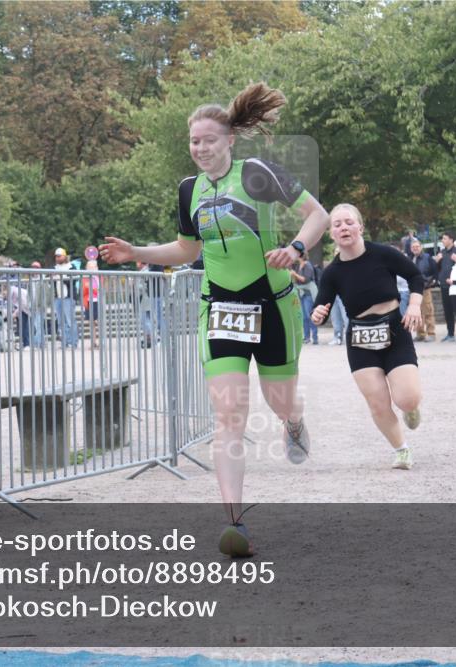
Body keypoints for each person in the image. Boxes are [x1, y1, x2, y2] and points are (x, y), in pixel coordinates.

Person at [99, 82, 329, 558]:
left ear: (229, 140)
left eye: (207, 139)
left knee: (279, 399)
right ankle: (235, 521)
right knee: (229, 417)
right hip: (220, 308)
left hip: (272, 305)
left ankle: (293, 423)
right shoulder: (189, 190)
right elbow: (187, 249)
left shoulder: (259, 173)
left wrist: (296, 248)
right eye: (193, 141)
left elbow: (317, 215)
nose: (199, 148)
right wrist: (135, 253)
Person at [311, 204, 423, 470]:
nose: (343, 227)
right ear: (331, 234)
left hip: (395, 328)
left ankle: (411, 408)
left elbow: (415, 276)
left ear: (360, 227)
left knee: (407, 398)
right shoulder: (332, 272)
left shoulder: (383, 254)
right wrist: (318, 314)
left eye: (349, 222)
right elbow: (322, 306)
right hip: (361, 338)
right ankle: (401, 450)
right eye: (337, 224)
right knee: (377, 402)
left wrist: (415, 305)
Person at [433, 231, 456, 341]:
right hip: (444, 285)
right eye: (442, 239)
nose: (442, 241)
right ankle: (450, 334)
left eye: (444, 238)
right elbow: (437, 268)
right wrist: (437, 261)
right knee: (447, 311)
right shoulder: (442, 252)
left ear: (451, 240)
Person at [410, 241, 437, 342]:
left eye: (417, 246)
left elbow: (434, 272)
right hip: (414, 290)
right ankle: (420, 334)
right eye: (413, 247)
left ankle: (431, 333)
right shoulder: (410, 258)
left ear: (421, 247)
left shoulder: (427, 258)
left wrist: (429, 283)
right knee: (417, 312)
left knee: (428, 311)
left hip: (425, 289)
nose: (415, 248)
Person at [53, 248, 80, 349]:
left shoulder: (71, 267)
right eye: (56, 256)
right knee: (60, 321)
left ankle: (73, 342)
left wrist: (62, 277)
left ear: (64, 256)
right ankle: (64, 342)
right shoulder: (54, 268)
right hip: (58, 297)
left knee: (70, 321)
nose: (57, 258)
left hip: (68, 297)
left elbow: (73, 281)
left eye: (59, 256)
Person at [291, 256, 318, 345]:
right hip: (301, 293)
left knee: (310, 315)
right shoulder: (298, 265)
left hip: (308, 294)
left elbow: (305, 279)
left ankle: (315, 338)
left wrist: (295, 274)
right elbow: (297, 280)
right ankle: (306, 337)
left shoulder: (308, 266)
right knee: (304, 317)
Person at [81, 259, 101, 348]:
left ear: (97, 268)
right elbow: (83, 291)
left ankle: (101, 341)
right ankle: (93, 342)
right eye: (89, 267)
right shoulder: (84, 278)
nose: (92, 269)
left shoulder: (99, 277)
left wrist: (92, 288)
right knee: (91, 323)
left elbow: (99, 289)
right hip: (88, 301)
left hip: (97, 301)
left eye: (93, 267)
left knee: (98, 322)